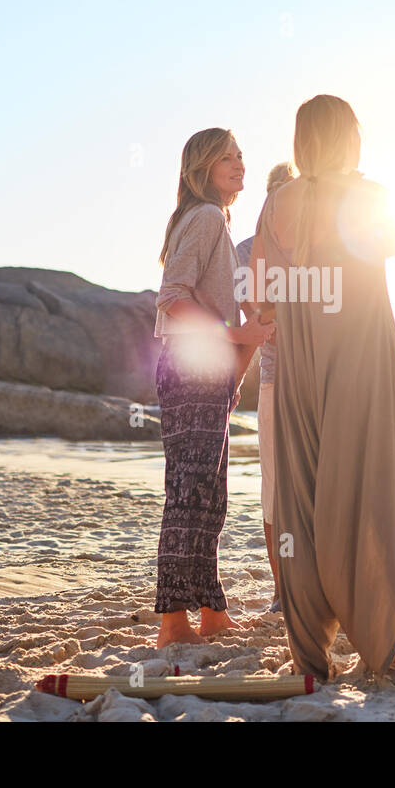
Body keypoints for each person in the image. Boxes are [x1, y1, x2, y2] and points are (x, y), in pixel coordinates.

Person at [251, 94, 395, 686]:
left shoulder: (277, 203)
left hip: (301, 372)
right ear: (350, 138)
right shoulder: (371, 197)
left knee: (303, 508)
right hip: (368, 370)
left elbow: (260, 297)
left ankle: (310, 660)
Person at [153, 128, 274, 649]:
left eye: (241, 154)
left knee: (208, 494)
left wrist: (242, 341)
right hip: (189, 367)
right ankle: (173, 624)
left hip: (205, 372)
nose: (239, 163)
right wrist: (234, 334)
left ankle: (211, 611)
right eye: (227, 156)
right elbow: (172, 298)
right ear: (201, 167)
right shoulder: (203, 218)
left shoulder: (214, 222)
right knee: (190, 494)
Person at [234, 162, 295, 613]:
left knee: (322, 487)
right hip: (276, 382)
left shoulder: (323, 246)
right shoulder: (246, 251)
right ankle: (281, 590)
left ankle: (319, 584)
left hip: (327, 381)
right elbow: (251, 319)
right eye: (277, 195)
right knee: (274, 489)